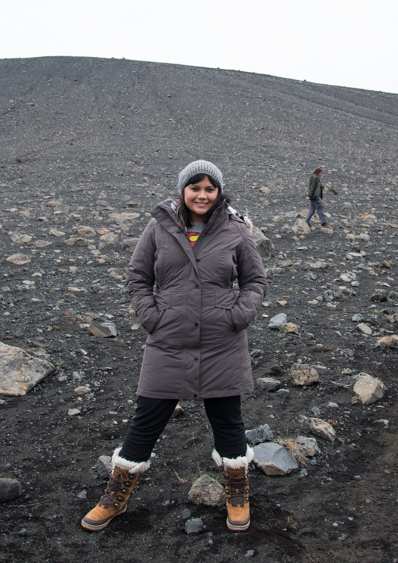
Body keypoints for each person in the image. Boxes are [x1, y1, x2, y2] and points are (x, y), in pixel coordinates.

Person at [82, 160, 268, 533]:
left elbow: (255, 281)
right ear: (183, 190)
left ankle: (237, 493)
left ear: (219, 193)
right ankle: (115, 496)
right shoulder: (159, 227)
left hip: (222, 342)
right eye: (195, 187)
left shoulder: (236, 230)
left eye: (209, 188)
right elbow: (138, 276)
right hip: (167, 340)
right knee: (146, 419)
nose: (202, 195)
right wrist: (152, 316)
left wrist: (238, 316)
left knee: (228, 421)